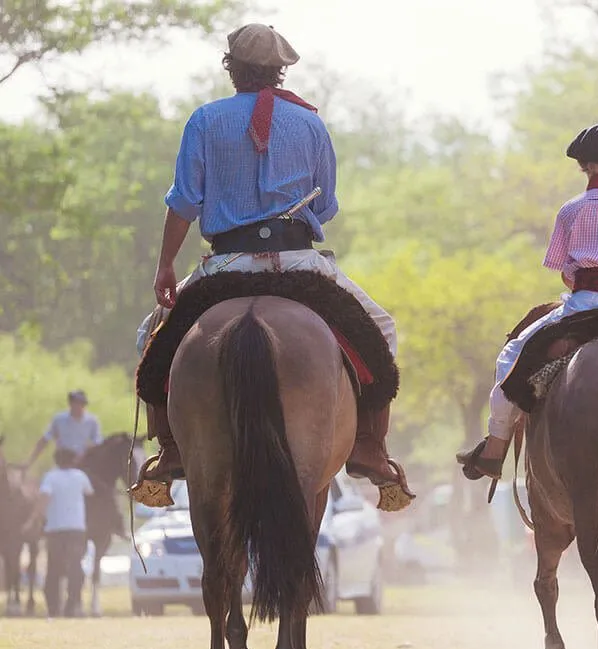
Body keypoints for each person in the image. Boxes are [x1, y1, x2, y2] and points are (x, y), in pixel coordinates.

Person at [129, 24, 409, 507]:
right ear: (281, 70)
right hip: (301, 263)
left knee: (149, 339)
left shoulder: (204, 120)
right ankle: (369, 445)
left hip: (225, 266)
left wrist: (166, 266)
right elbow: (327, 207)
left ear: (230, 68)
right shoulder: (311, 124)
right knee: (382, 329)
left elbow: (183, 201)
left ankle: (171, 450)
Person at [457, 123, 598, 479]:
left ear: (585, 166)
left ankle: (495, 447)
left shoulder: (571, 210)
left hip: (583, 308)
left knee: (511, 357)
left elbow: (564, 272)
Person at [28, 449, 94, 617]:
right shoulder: (80, 476)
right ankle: (72, 606)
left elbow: (43, 501)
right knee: (75, 568)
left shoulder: (50, 477)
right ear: (72, 460)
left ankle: (53, 607)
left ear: (56, 460)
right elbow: (90, 493)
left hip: (55, 529)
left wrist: (34, 520)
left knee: (54, 568)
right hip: (76, 529)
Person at [26, 390, 101, 469]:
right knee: (50, 479)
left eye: (81, 404)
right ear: (70, 404)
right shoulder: (59, 419)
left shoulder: (92, 421)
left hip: (82, 464)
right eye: (75, 403)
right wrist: (29, 462)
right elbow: (44, 440)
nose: (78, 406)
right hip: (62, 463)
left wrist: (89, 449)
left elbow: (98, 443)